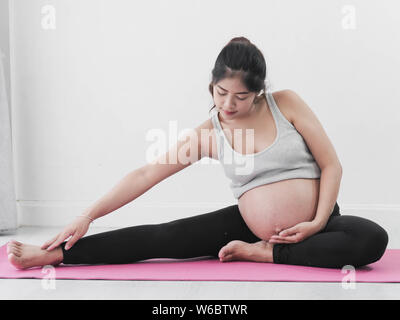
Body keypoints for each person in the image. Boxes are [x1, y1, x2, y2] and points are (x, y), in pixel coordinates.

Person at [7, 37, 388, 270]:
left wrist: (318, 222)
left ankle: (265, 255)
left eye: (240, 97)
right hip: (249, 225)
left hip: (318, 222)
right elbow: (146, 174)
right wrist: (87, 215)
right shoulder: (211, 133)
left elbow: (331, 164)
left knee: (371, 238)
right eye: (221, 93)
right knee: (164, 237)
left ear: (258, 91)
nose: (228, 104)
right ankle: (58, 256)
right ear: (212, 84)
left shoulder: (286, 103)